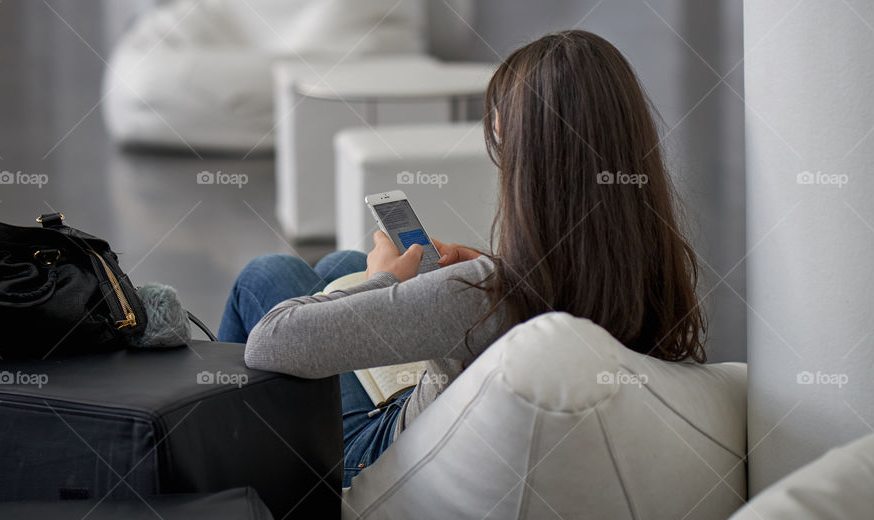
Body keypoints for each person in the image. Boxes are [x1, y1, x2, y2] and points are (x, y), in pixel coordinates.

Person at [218, 30, 706, 487]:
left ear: (530, 170)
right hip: (461, 408)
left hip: (380, 450)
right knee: (335, 265)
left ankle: (217, 469)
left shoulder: (483, 297)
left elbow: (270, 343)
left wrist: (381, 280)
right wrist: (494, 264)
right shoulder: (652, 264)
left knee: (271, 274)